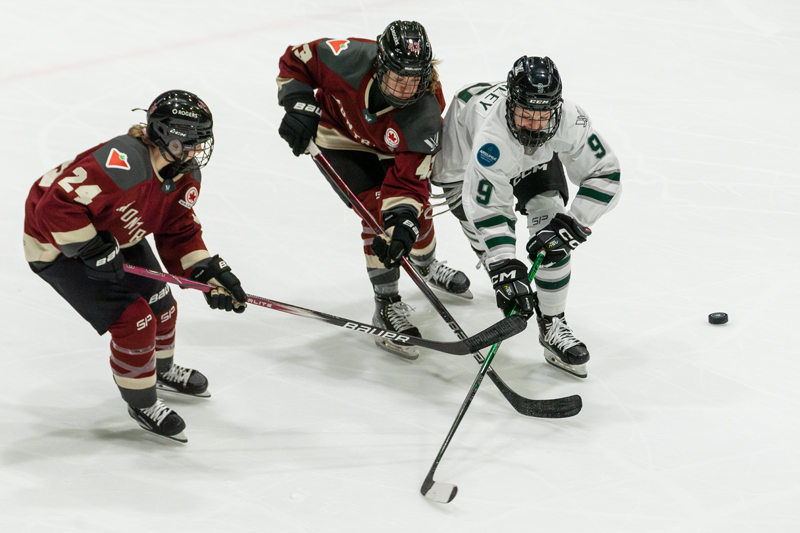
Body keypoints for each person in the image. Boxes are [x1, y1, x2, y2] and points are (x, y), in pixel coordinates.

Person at [23, 90, 248, 442]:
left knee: (162, 302)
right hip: (58, 247)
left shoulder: (184, 176)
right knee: (135, 320)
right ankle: (142, 403)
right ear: (162, 134)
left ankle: (161, 370)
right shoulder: (124, 161)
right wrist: (91, 248)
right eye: (188, 141)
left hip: (116, 232)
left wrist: (207, 272)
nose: (195, 150)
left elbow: (178, 231)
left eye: (201, 140)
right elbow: (53, 208)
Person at [276, 20, 472, 360]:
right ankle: (386, 304)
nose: (405, 90)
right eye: (398, 78)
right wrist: (299, 105)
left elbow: (409, 184)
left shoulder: (425, 112)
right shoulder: (347, 56)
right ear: (380, 64)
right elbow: (295, 60)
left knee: (412, 215)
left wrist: (405, 226)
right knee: (376, 215)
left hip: (391, 148)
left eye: (414, 80)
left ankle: (426, 264)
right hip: (337, 137)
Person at [431, 56, 621, 378]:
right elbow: (491, 210)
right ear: (510, 104)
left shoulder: (570, 121)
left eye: (543, 114)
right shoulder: (491, 139)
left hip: (533, 160)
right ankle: (444, 264)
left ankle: (552, 324)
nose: (534, 124)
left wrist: (572, 222)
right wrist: (505, 265)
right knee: (489, 245)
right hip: (462, 157)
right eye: (525, 114)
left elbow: (606, 173)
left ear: (556, 108)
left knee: (551, 234)